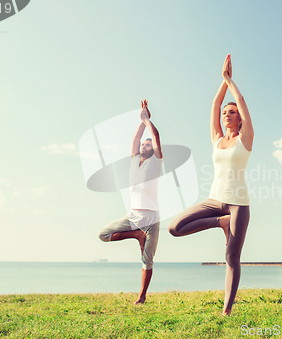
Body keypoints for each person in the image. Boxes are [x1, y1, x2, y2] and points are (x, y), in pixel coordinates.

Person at [168, 54, 253, 316]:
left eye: (232, 113)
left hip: (238, 204)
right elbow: (215, 104)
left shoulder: (245, 139)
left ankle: (227, 309)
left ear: (239, 120)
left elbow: (241, 101)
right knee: (174, 227)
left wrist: (230, 81)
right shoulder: (217, 139)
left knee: (231, 257)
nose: (227, 115)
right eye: (225, 113)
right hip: (215, 201)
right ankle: (220, 223)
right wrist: (222, 82)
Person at [98, 100, 163, 305]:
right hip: (133, 216)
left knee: (147, 260)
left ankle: (142, 297)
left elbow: (157, 137)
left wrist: (147, 120)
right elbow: (136, 138)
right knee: (103, 234)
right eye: (144, 144)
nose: (145, 145)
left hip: (152, 219)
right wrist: (142, 120)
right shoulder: (134, 160)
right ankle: (136, 235)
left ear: (152, 150)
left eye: (148, 144)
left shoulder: (156, 162)